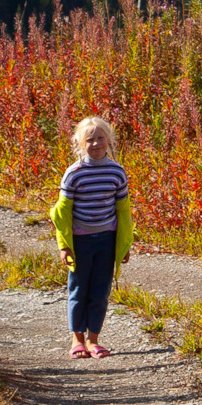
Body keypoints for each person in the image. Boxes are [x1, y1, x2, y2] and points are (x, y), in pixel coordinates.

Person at [51, 115, 133, 359]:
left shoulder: (117, 172)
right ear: (79, 143)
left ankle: (93, 340)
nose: (96, 144)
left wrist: (123, 244)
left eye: (100, 138)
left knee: (100, 292)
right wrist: (64, 246)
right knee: (78, 290)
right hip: (80, 242)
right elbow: (62, 213)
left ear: (109, 140)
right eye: (89, 140)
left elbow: (123, 211)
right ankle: (77, 340)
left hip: (106, 240)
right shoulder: (74, 173)